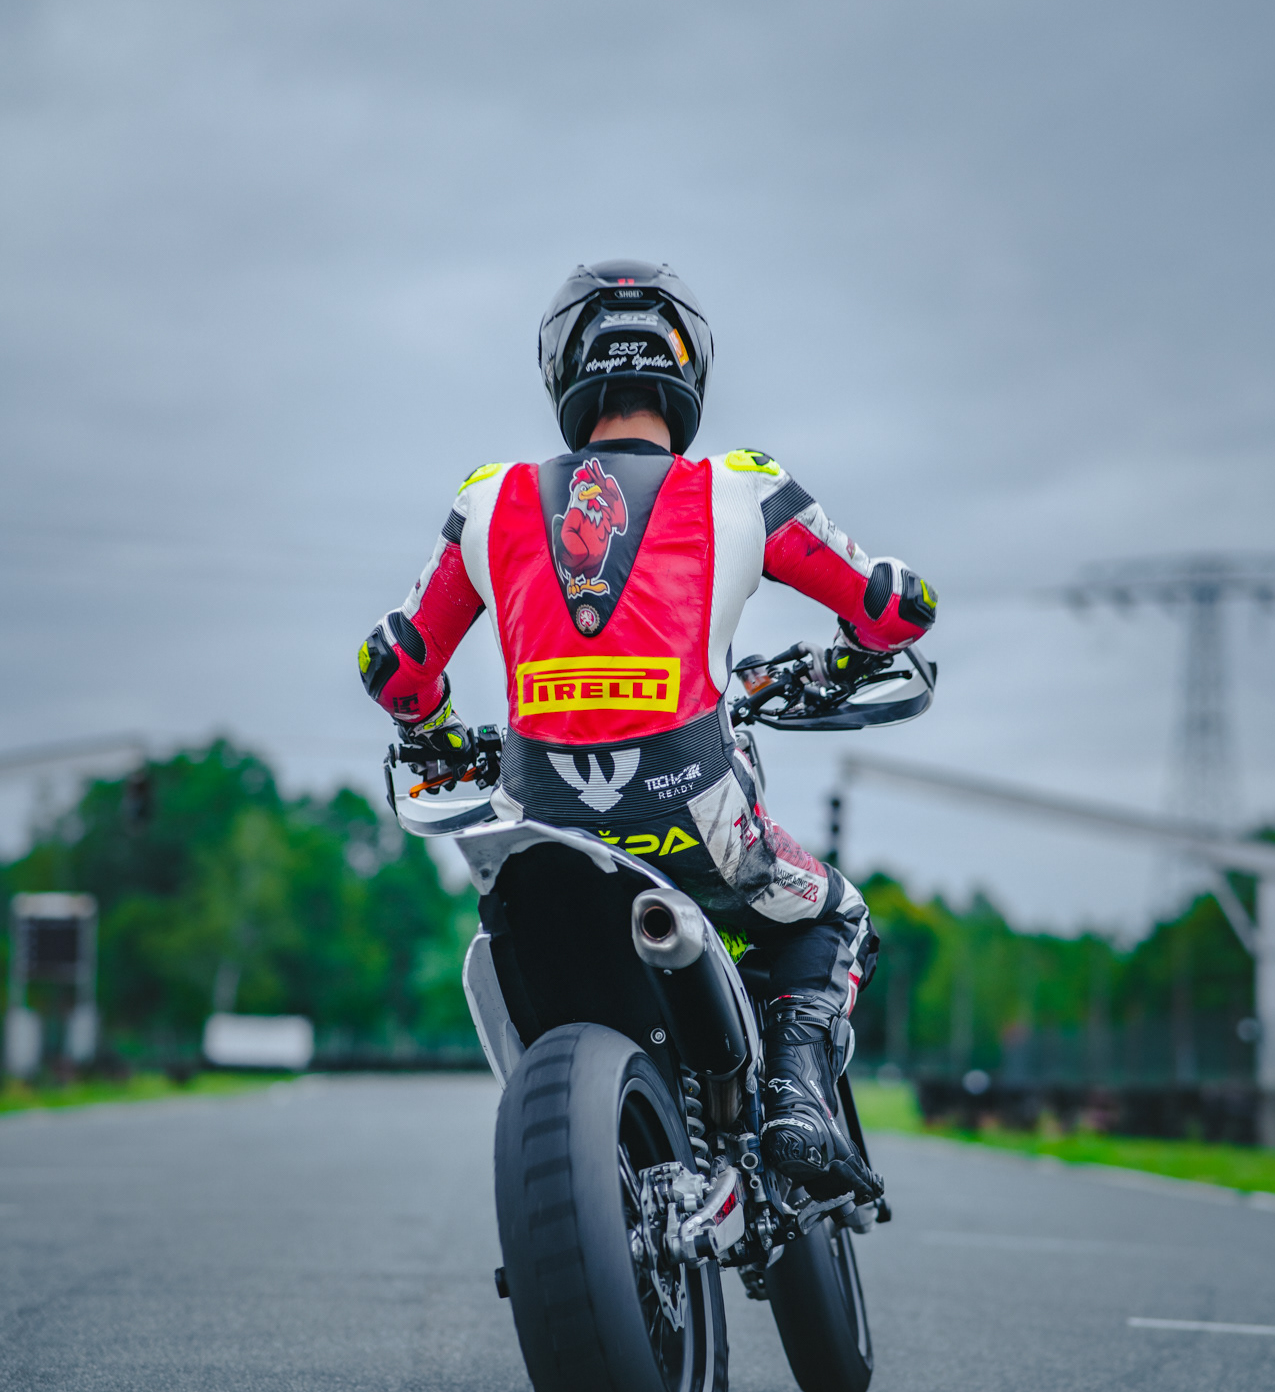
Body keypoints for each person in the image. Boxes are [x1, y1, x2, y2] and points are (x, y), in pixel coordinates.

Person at [358, 260, 937, 1201]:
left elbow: (395, 664)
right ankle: (795, 1096)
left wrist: (434, 729)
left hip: (534, 826)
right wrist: (845, 657)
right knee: (836, 914)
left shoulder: (487, 498)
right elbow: (896, 607)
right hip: (697, 819)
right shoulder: (743, 487)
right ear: (689, 365)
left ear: (562, 369)